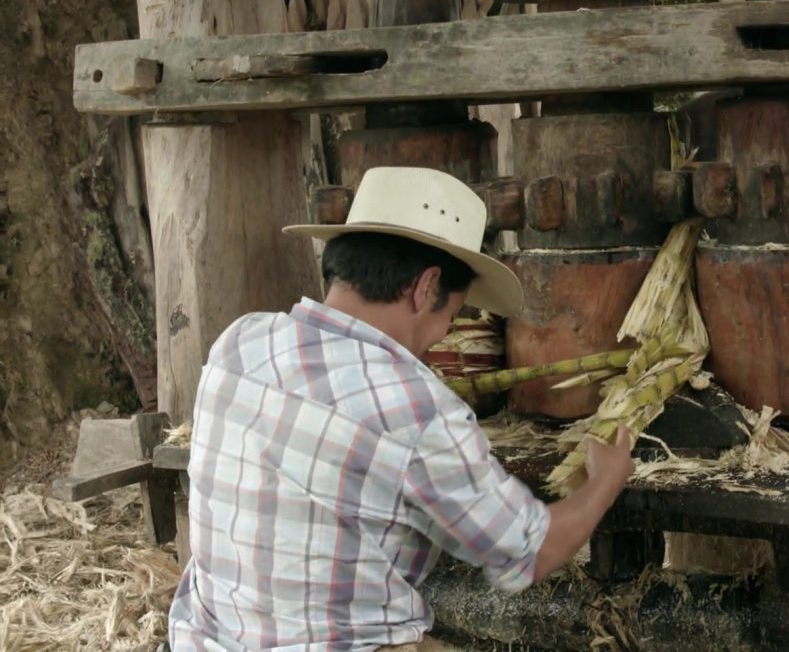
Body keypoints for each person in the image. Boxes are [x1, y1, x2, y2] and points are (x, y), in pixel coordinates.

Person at [168, 167, 634, 651]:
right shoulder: (417, 409)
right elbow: (531, 552)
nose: (439, 339)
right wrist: (605, 480)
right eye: (450, 318)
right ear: (427, 287)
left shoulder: (240, 342)